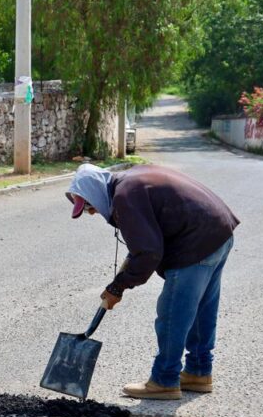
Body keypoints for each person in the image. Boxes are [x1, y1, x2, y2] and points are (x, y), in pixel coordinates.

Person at [66, 163, 239, 400]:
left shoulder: (125, 197)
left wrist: (118, 287)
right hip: (218, 232)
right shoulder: (130, 181)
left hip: (194, 243)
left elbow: (148, 253)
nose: (93, 213)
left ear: (94, 193)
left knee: (173, 313)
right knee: (202, 309)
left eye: (89, 207)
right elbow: (147, 237)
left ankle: (164, 380)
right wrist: (123, 277)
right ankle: (198, 372)